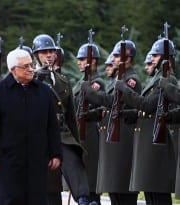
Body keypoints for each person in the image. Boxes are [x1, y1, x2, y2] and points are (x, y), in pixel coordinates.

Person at [0, 49, 62, 205]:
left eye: (31, 65)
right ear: (13, 70)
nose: (30, 69)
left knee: (37, 200)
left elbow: (52, 125)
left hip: (37, 159)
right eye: (25, 66)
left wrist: (56, 153)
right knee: (12, 199)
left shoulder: (44, 92)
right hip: (10, 160)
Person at [33, 34, 97, 205]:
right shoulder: (30, 80)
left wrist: (77, 142)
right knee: (49, 187)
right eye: (44, 52)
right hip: (39, 136)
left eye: (51, 52)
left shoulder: (62, 81)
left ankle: (83, 199)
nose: (49, 55)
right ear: (36, 55)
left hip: (61, 133)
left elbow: (70, 117)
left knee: (73, 159)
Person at [115, 38, 177, 205]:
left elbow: (148, 106)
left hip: (157, 143)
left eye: (156, 55)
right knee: (151, 194)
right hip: (149, 142)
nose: (153, 59)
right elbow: (145, 109)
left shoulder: (167, 79)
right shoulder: (157, 78)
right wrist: (126, 114)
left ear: (166, 57)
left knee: (158, 195)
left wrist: (124, 89)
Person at [81, 39, 142, 205]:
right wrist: (88, 114)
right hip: (113, 142)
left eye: (116, 56)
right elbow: (107, 109)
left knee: (123, 193)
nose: (113, 59)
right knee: (115, 193)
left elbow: (113, 102)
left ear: (127, 58)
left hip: (122, 141)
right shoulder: (120, 79)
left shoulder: (131, 80)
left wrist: (89, 91)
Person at [73, 42, 105, 204]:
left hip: (90, 135)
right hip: (80, 134)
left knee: (90, 183)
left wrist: (85, 114)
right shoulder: (81, 81)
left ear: (92, 61)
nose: (78, 61)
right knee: (81, 185)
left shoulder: (97, 82)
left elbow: (99, 109)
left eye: (82, 58)